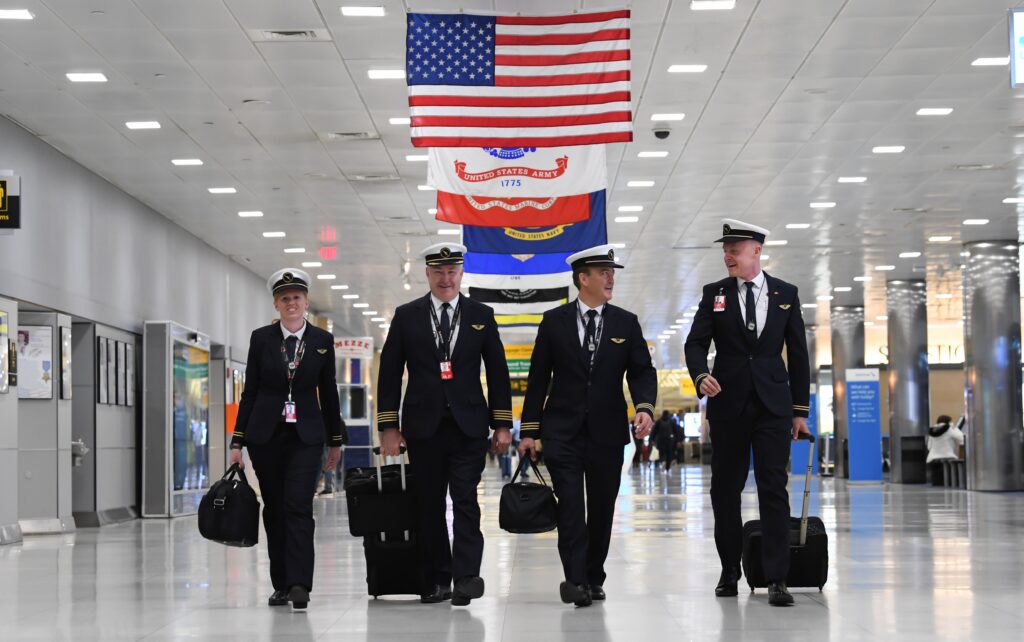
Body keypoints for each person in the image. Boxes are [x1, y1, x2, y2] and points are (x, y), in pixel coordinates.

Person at [519, 244, 657, 607]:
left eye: (612, 272)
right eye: (604, 272)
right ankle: (575, 580)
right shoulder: (554, 321)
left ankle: (594, 575)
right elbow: (537, 380)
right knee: (570, 507)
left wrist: (644, 406)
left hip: (607, 432)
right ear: (583, 278)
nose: (611, 278)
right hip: (562, 430)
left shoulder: (625, 322)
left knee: (601, 507)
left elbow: (642, 370)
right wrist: (529, 431)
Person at [377, 242, 513, 607]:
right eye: (438, 271)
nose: (446, 278)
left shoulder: (480, 314)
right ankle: (437, 578)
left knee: (466, 499)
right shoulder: (407, 316)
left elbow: (498, 373)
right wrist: (389, 426)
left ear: (461, 273)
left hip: (468, 425)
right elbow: (389, 372)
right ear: (427, 274)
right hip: (423, 427)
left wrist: (502, 424)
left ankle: (466, 576)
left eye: (452, 271)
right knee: (429, 504)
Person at [684, 219, 811, 607]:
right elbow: (695, 344)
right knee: (725, 489)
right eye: (725, 249)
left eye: (735, 249)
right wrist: (701, 374)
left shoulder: (785, 294)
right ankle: (729, 570)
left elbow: (800, 356)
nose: (728, 255)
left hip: (773, 406)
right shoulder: (715, 294)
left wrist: (799, 411)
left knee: (774, 489)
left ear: (756, 250)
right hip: (728, 405)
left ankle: (776, 578)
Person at [228, 268, 345, 611]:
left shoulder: (322, 342)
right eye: (284, 298)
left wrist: (335, 439)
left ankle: (299, 584)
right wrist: (238, 442)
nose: (291, 303)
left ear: (306, 302)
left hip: (306, 435)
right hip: (266, 436)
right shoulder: (261, 339)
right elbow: (250, 392)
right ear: (276, 304)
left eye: (297, 297)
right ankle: (281, 583)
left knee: (298, 506)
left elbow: (329, 391)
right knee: (275, 509)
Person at [926, 415, 964, 484]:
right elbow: (962, 437)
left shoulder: (932, 430)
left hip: (932, 459)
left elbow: (929, 447)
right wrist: (955, 428)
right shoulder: (949, 429)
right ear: (948, 422)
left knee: (937, 482)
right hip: (948, 457)